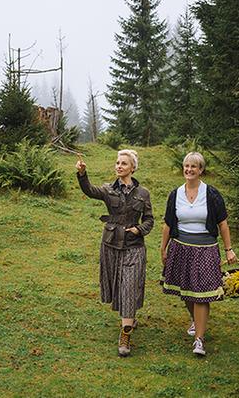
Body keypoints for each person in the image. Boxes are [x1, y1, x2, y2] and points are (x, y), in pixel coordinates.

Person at [76, 149, 154, 357]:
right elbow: (90, 191)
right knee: (117, 286)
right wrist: (82, 174)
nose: (119, 166)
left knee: (129, 286)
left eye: (124, 163)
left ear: (133, 168)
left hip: (134, 246)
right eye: (117, 163)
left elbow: (149, 219)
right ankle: (129, 318)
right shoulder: (108, 189)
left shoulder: (143, 193)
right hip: (110, 244)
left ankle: (125, 335)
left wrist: (139, 229)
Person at [160, 151, 236, 357]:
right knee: (186, 291)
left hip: (206, 249)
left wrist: (229, 249)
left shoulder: (211, 194)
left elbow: (223, 224)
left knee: (202, 295)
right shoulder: (175, 194)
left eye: (194, 166)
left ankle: (199, 340)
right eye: (186, 166)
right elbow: (168, 223)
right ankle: (196, 321)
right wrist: (163, 248)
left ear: (201, 170)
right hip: (180, 247)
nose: (189, 170)